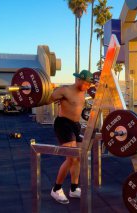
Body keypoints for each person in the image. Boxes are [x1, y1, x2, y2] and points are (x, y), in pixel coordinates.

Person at [49, 70, 93, 204]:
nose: (87, 86)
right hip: (63, 124)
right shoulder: (65, 90)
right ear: (78, 80)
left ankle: (74, 189)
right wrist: (47, 88)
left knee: (78, 158)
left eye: (89, 84)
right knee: (71, 158)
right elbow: (47, 98)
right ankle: (56, 189)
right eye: (85, 83)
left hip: (75, 125)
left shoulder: (84, 90)